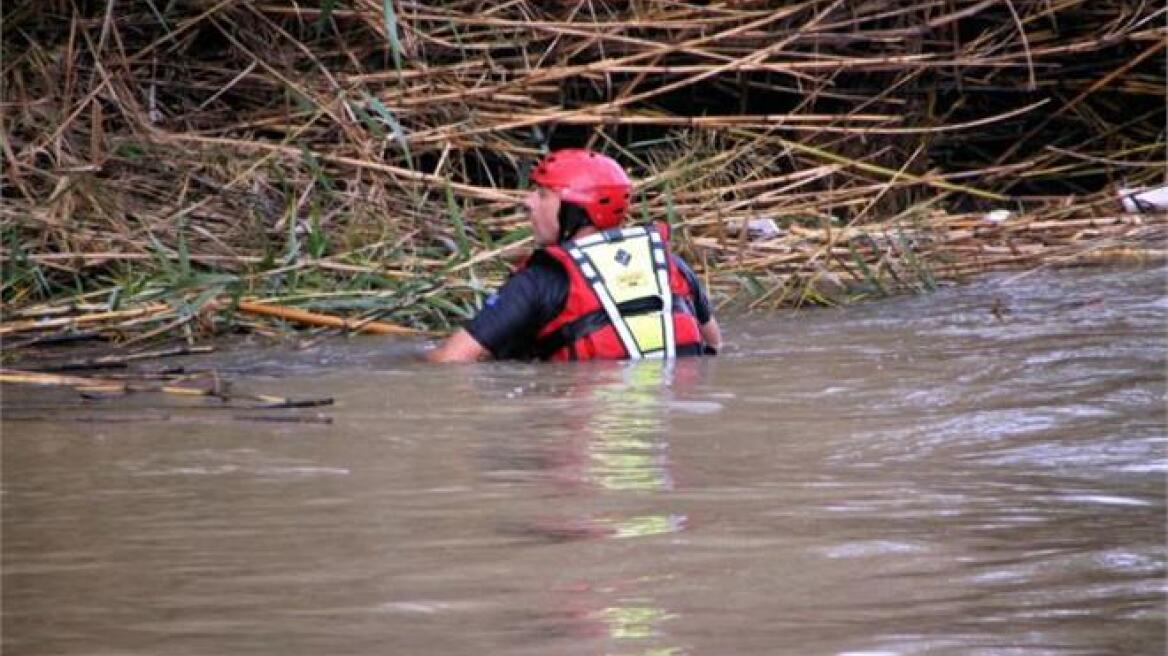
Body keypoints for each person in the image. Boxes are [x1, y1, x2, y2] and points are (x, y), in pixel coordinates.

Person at [426, 148, 722, 363]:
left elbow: (450, 360)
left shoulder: (540, 280)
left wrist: (409, 362)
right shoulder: (670, 265)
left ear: (574, 212)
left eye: (543, 194)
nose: (528, 202)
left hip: (581, 419)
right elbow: (714, 346)